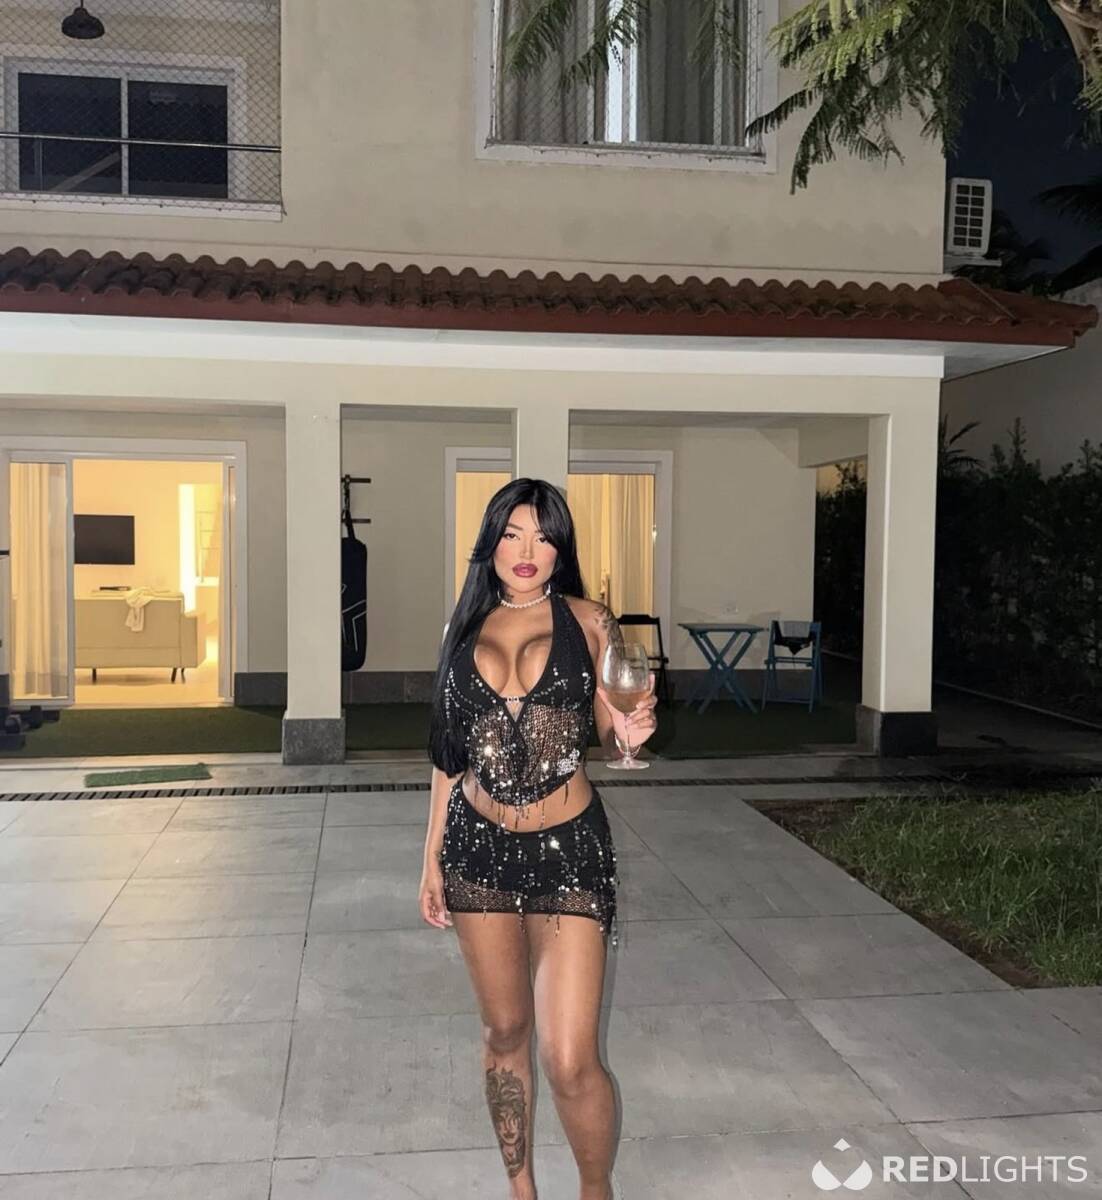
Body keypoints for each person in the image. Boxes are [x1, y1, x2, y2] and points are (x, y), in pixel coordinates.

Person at [420, 477, 658, 1200]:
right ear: (490, 542)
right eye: (513, 533)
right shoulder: (462, 627)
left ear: (561, 547)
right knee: (504, 1033)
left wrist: (632, 728)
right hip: (477, 855)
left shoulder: (589, 621)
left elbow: (617, 720)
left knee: (570, 1057)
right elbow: (448, 756)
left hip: (569, 855)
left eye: (544, 536)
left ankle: (595, 1190)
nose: (528, 550)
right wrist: (431, 859)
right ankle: (520, 1187)